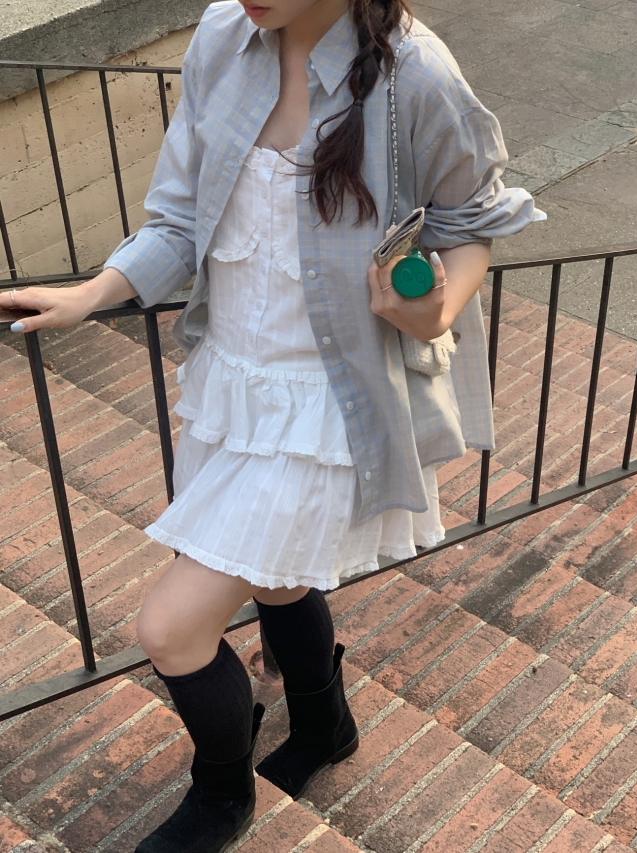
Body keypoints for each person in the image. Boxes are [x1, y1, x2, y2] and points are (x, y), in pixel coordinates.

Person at [0, 0, 545, 848]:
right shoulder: (224, 35)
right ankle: (326, 725)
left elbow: (472, 219)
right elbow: (179, 218)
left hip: (331, 403)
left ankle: (223, 795)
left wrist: (438, 310)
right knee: (277, 579)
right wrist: (91, 295)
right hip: (232, 381)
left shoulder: (417, 75)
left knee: (171, 627)